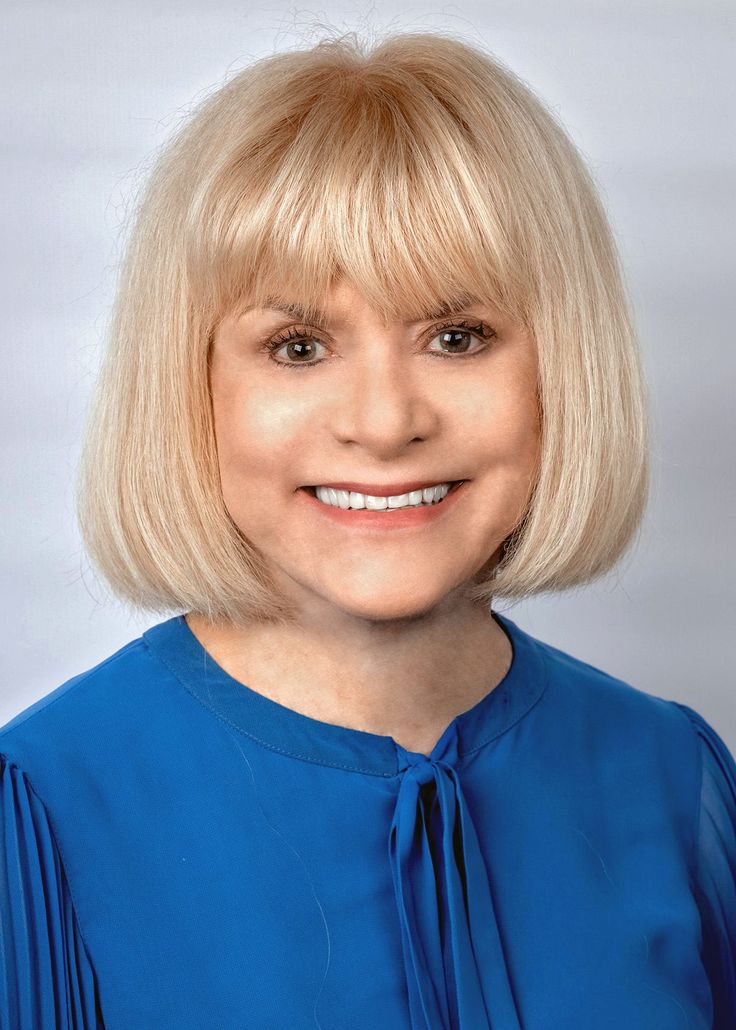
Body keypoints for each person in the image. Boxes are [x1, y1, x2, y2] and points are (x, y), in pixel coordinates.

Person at [0, 28, 733, 1030]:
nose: (385, 422)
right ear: (189, 385)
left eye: (456, 336)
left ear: (559, 368)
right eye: (297, 345)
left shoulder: (671, 774)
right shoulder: (40, 805)